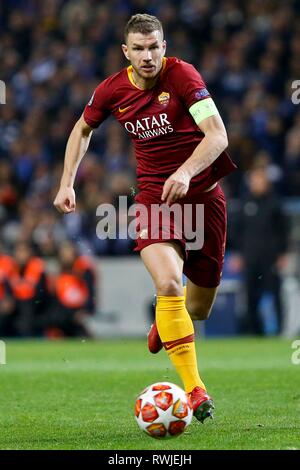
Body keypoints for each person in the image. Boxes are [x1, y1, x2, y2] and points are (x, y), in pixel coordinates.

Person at [54, 13, 236, 423]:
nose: (148, 56)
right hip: (154, 199)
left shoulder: (184, 76)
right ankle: (195, 389)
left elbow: (218, 135)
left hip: (204, 199)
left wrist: (187, 172)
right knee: (169, 282)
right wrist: (67, 182)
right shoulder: (112, 89)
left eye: (154, 47)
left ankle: (164, 321)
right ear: (126, 52)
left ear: (164, 47)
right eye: (138, 49)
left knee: (199, 308)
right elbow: (82, 130)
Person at [231, 164, 289, 335]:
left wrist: (283, 254)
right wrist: (237, 254)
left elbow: (283, 232)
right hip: (250, 258)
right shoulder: (244, 204)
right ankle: (254, 331)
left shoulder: (275, 204)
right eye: (254, 180)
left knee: (275, 294)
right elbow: (236, 231)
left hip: (270, 259)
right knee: (250, 297)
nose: (256, 183)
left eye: (259, 180)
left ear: (266, 182)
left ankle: (280, 330)